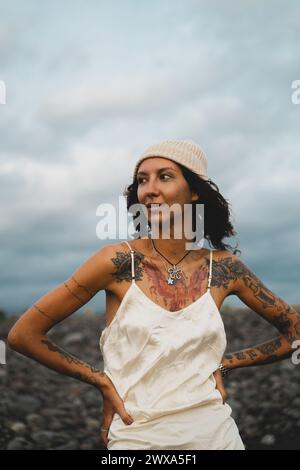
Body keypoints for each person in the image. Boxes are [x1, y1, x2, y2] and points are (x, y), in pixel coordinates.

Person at [7, 139, 300, 450]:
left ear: (195, 190)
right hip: (135, 436)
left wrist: (226, 364)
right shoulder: (117, 262)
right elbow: (24, 334)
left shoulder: (225, 269)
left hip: (216, 434)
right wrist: (101, 381)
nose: (148, 189)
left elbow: (295, 332)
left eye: (165, 176)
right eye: (142, 180)